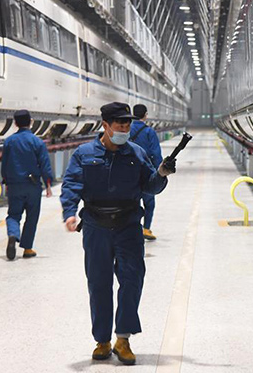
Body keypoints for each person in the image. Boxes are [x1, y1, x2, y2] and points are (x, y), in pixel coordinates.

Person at [60, 102, 176, 365]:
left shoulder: (136, 153)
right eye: (120, 124)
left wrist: (161, 174)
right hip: (96, 227)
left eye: (128, 124)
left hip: (128, 225)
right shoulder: (84, 153)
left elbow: (150, 186)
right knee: (99, 283)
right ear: (106, 125)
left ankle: (123, 338)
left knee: (132, 279)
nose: (125, 128)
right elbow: (71, 184)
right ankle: (102, 340)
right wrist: (69, 211)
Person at [1, 109, 53, 260]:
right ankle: (27, 249)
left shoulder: (9, 141)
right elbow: (44, 165)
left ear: (15, 123)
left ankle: (13, 235)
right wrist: (48, 184)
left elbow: (4, 165)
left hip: (15, 185)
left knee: (13, 215)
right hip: (32, 185)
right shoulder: (37, 141)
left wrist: (6, 181)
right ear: (31, 122)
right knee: (32, 216)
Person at [130, 104, 163, 241]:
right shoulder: (149, 132)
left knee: (132, 203)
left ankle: (133, 229)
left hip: (129, 172)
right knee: (149, 202)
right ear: (145, 115)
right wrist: (158, 173)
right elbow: (156, 153)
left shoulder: (127, 129)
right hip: (146, 172)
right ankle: (146, 228)